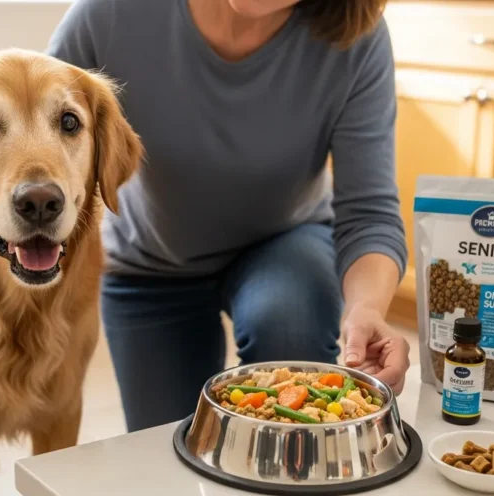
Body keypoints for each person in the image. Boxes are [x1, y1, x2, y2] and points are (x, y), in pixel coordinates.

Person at [49, 0, 410, 432]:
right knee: (167, 452)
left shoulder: (358, 39)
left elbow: (369, 211)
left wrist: (366, 309)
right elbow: (34, 128)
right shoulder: (110, 13)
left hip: (285, 243)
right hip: (151, 262)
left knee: (289, 325)